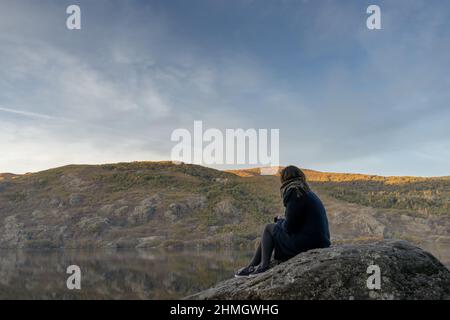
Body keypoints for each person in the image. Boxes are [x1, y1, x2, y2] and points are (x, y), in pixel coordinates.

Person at [235, 165, 331, 277]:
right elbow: (297, 222)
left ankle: (262, 267)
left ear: (284, 179)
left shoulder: (295, 192)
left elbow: (289, 228)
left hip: (308, 243)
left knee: (268, 228)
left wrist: (280, 222)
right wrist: (281, 221)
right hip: (320, 242)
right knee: (274, 227)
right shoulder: (306, 191)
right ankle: (251, 266)